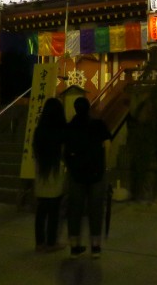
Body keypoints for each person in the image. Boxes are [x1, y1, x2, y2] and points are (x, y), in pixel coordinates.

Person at [64, 97, 111, 259]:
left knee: (75, 210)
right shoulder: (98, 125)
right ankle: (96, 246)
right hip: (96, 173)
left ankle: (74, 246)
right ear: (89, 108)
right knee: (96, 210)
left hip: (76, 174)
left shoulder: (70, 127)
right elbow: (107, 145)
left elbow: (65, 151)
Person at [32, 97, 67, 253]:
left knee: (41, 211)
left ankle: (39, 243)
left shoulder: (39, 130)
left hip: (41, 172)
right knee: (54, 211)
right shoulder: (61, 130)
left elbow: (35, 151)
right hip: (55, 173)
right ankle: (51, 242)